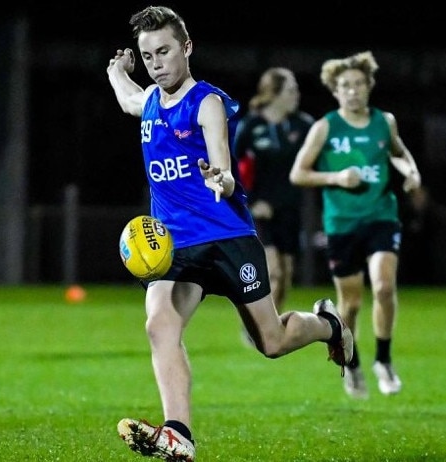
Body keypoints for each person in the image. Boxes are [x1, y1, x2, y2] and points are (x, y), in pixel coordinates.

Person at [106, 6, 353, 462]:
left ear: (187, 48)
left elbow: (223, 165)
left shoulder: (208, 103)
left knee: (271, 343)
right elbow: (128, 97)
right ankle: (179, 434)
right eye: (147, 55)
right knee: (160, 324)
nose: (156, 63)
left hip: (226, 237)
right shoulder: (152, 101)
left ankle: (328, 325)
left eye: (164, 51)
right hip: (174, 245)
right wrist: (116, 71)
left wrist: (220, 179)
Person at [289, 51, 422, 399]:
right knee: (349, 303)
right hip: (341, 223)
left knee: (383, 287)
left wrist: (411, 171)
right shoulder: (326, 127)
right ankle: (353, 363)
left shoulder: (384, 121)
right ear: (336, 90)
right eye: (346, 86)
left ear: (369, 86)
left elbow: (398, 152)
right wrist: (336, 176)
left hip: (381, 215)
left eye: (359, 84)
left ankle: (384, 360)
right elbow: (298, 173)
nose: (353, 91)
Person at [233, 67, 314, 320]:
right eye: (291, 90)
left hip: (289, 209)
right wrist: (252, 201)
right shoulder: (251, 126)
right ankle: (256, 324)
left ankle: (271, 329)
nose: (297, 95)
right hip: (260, 211)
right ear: (274, 93)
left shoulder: (303, 125)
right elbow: (230, 166)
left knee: (286, 274)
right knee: (273, 270)